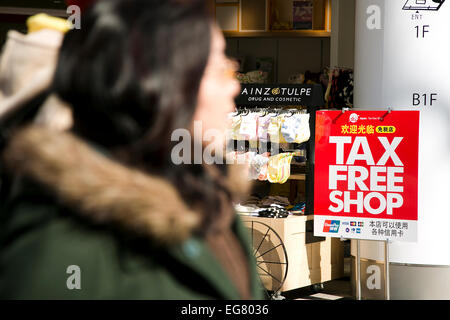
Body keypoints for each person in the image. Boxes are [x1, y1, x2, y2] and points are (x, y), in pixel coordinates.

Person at [0, 0, 263, 299]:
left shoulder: (208, 193)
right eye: (218, 68)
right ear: (160, 83)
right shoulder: (61, 248)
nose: (235, 87)